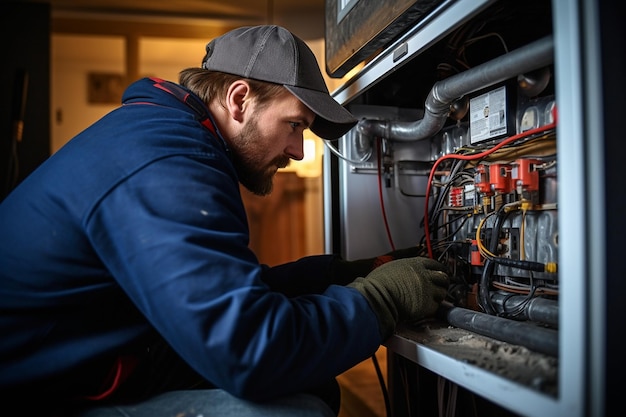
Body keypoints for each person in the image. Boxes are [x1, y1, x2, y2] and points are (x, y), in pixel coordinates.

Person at [0, 25, 449, 417]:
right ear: (239, 100)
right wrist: (383, 298)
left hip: (95, 360)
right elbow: (251, 352)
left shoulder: (164, 135)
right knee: (295, 413)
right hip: (40, 399)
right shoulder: (169, 162)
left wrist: (335, 274)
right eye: (294, 125)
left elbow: (221, 294)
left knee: (311, 383)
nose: (298, 151)